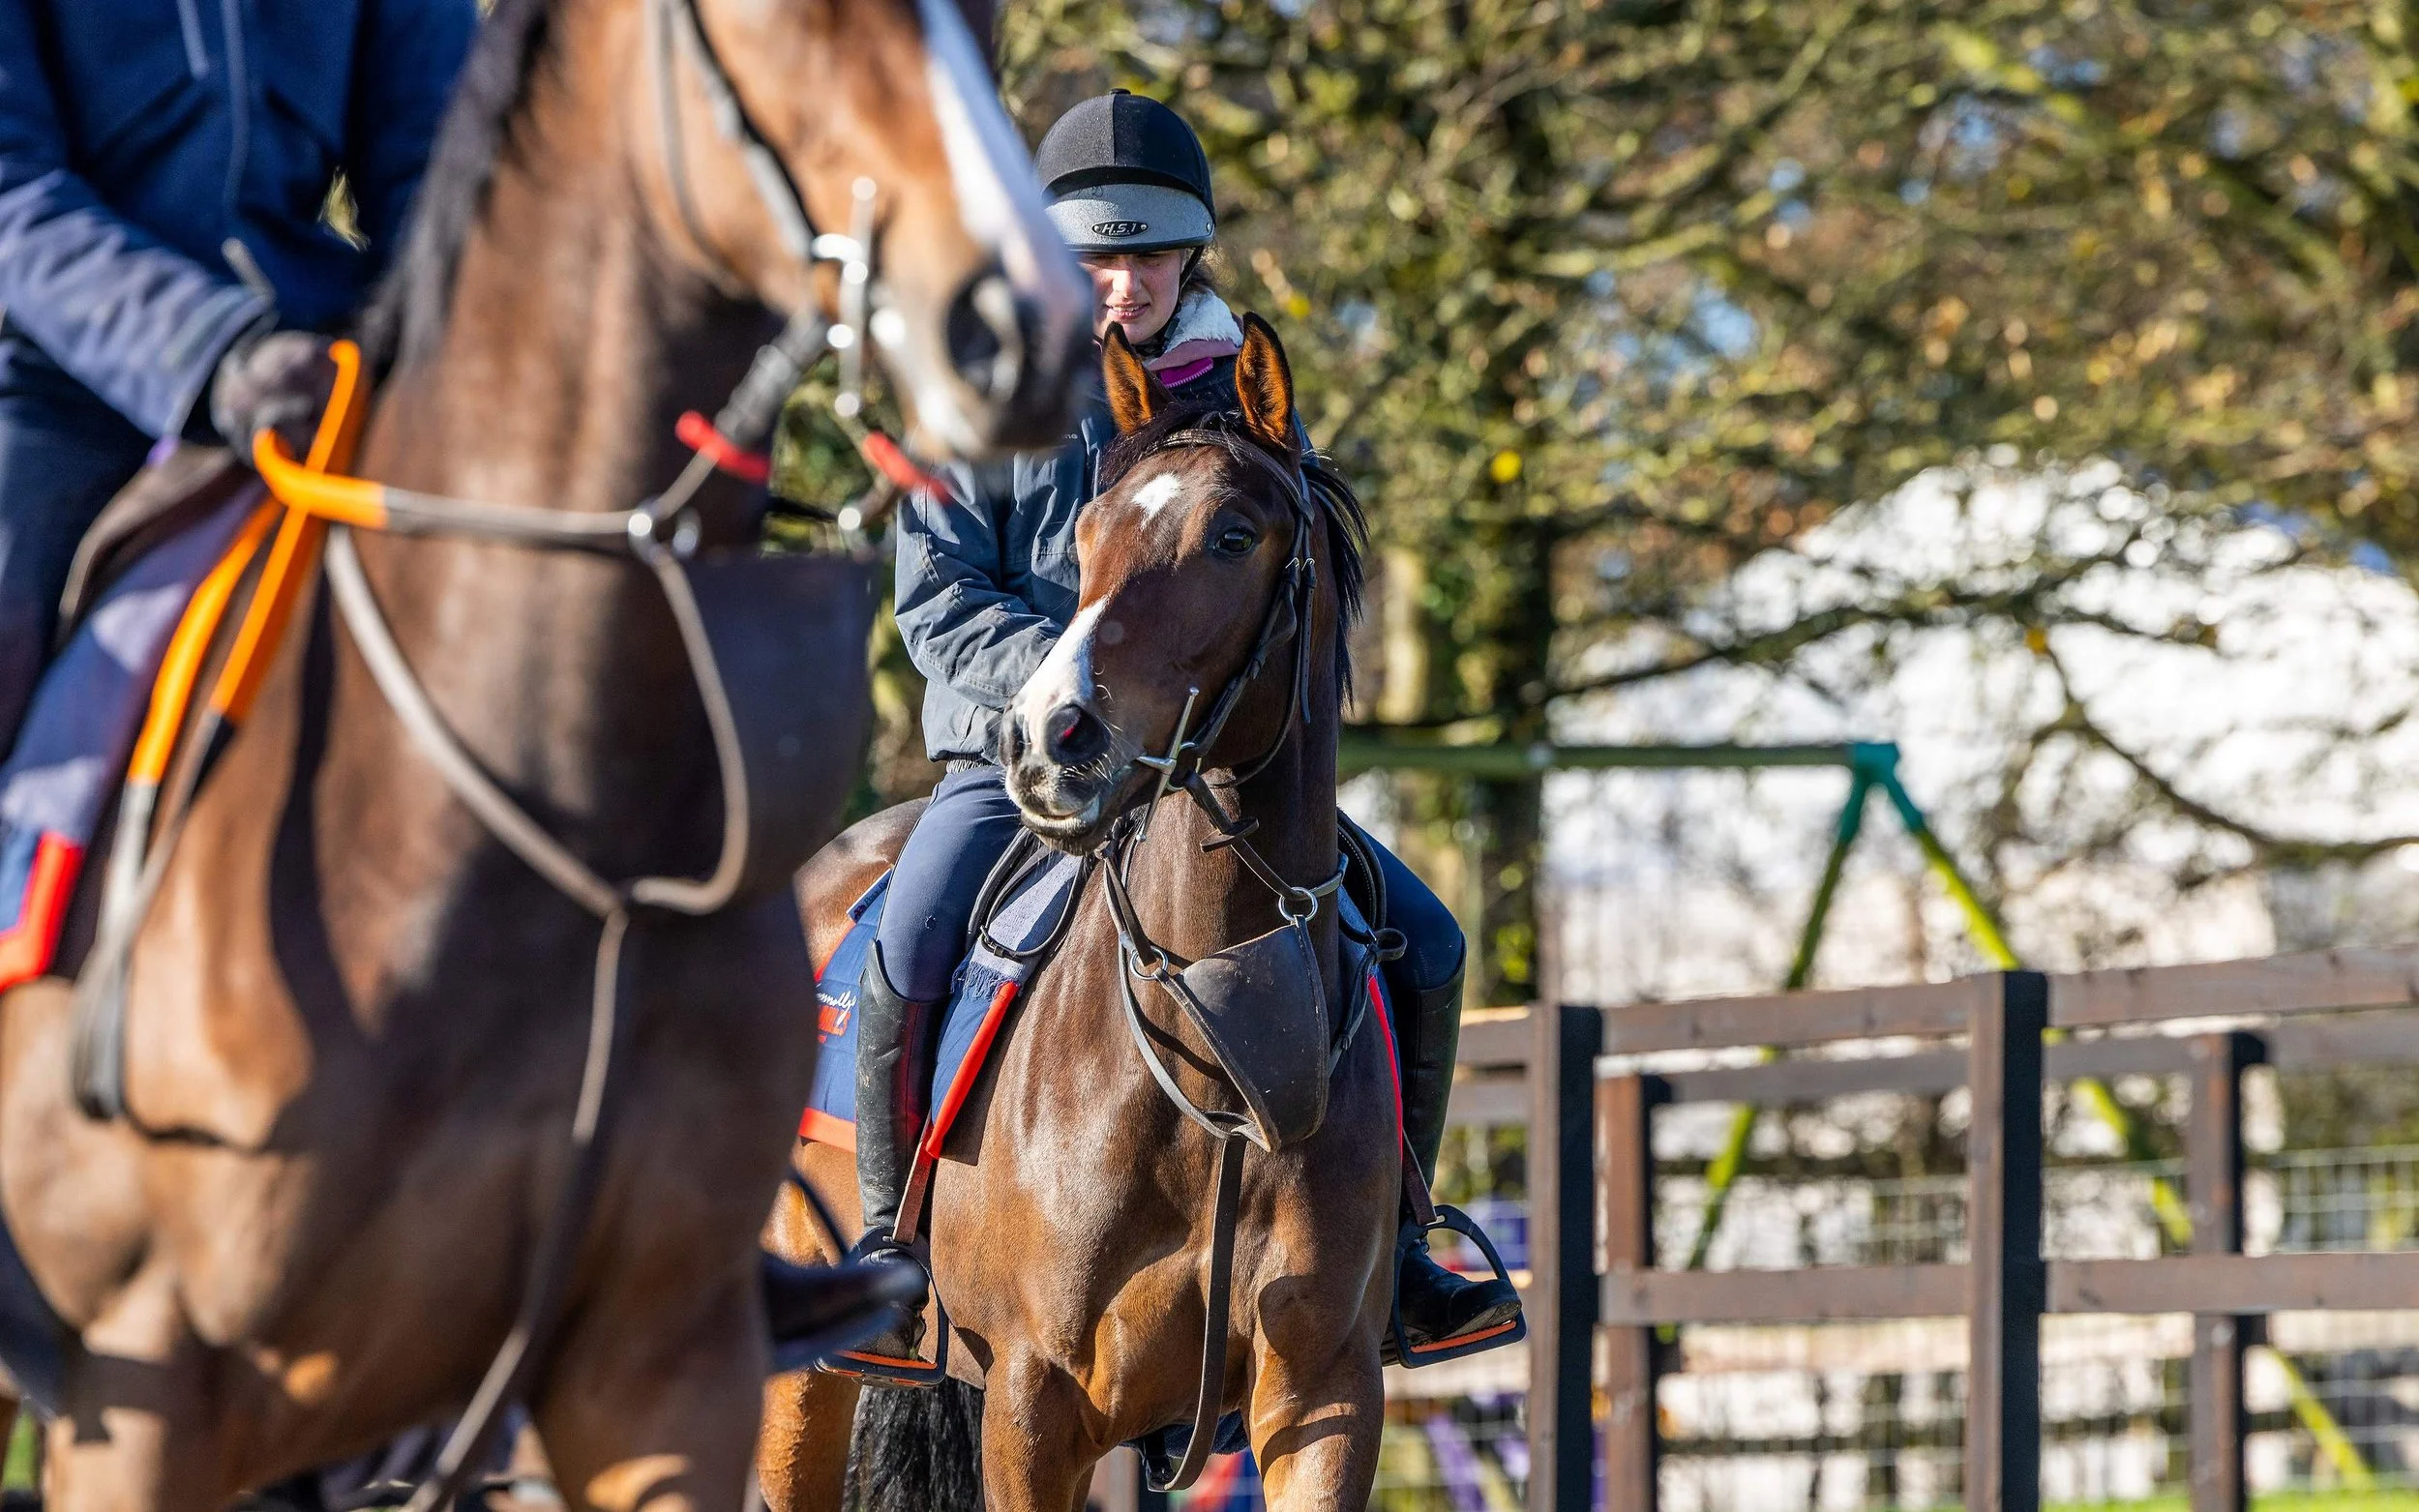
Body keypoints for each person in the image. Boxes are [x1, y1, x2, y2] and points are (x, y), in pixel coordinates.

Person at [842, 90, 1520, 1377]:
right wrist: (1063, 694)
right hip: (1022, 757)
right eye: (1096, 256)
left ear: (1188, 254)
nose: (1123, 283)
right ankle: (891, 1246)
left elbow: (1300, 589)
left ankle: (1404, 1256)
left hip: (1205, 772)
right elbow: (937, 600)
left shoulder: (1247, 400)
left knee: (1425, 937)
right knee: (911, 929)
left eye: (1147, 255)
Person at [0, 0, 479, 758]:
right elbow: (11, 194)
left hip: (314, 362)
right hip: (61, 378)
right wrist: (211, 350)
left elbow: (443, 167)